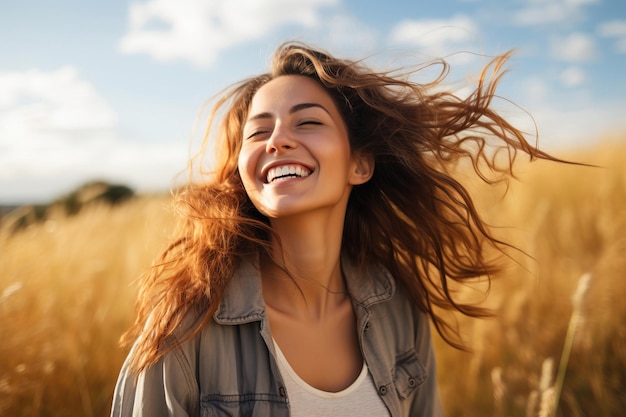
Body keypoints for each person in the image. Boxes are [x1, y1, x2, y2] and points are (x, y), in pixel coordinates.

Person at [110, 42, 560, 416]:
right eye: (258, 132)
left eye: (307, 122)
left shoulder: (399, 310)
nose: (277, 140)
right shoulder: (186, 328)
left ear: (359, 164)